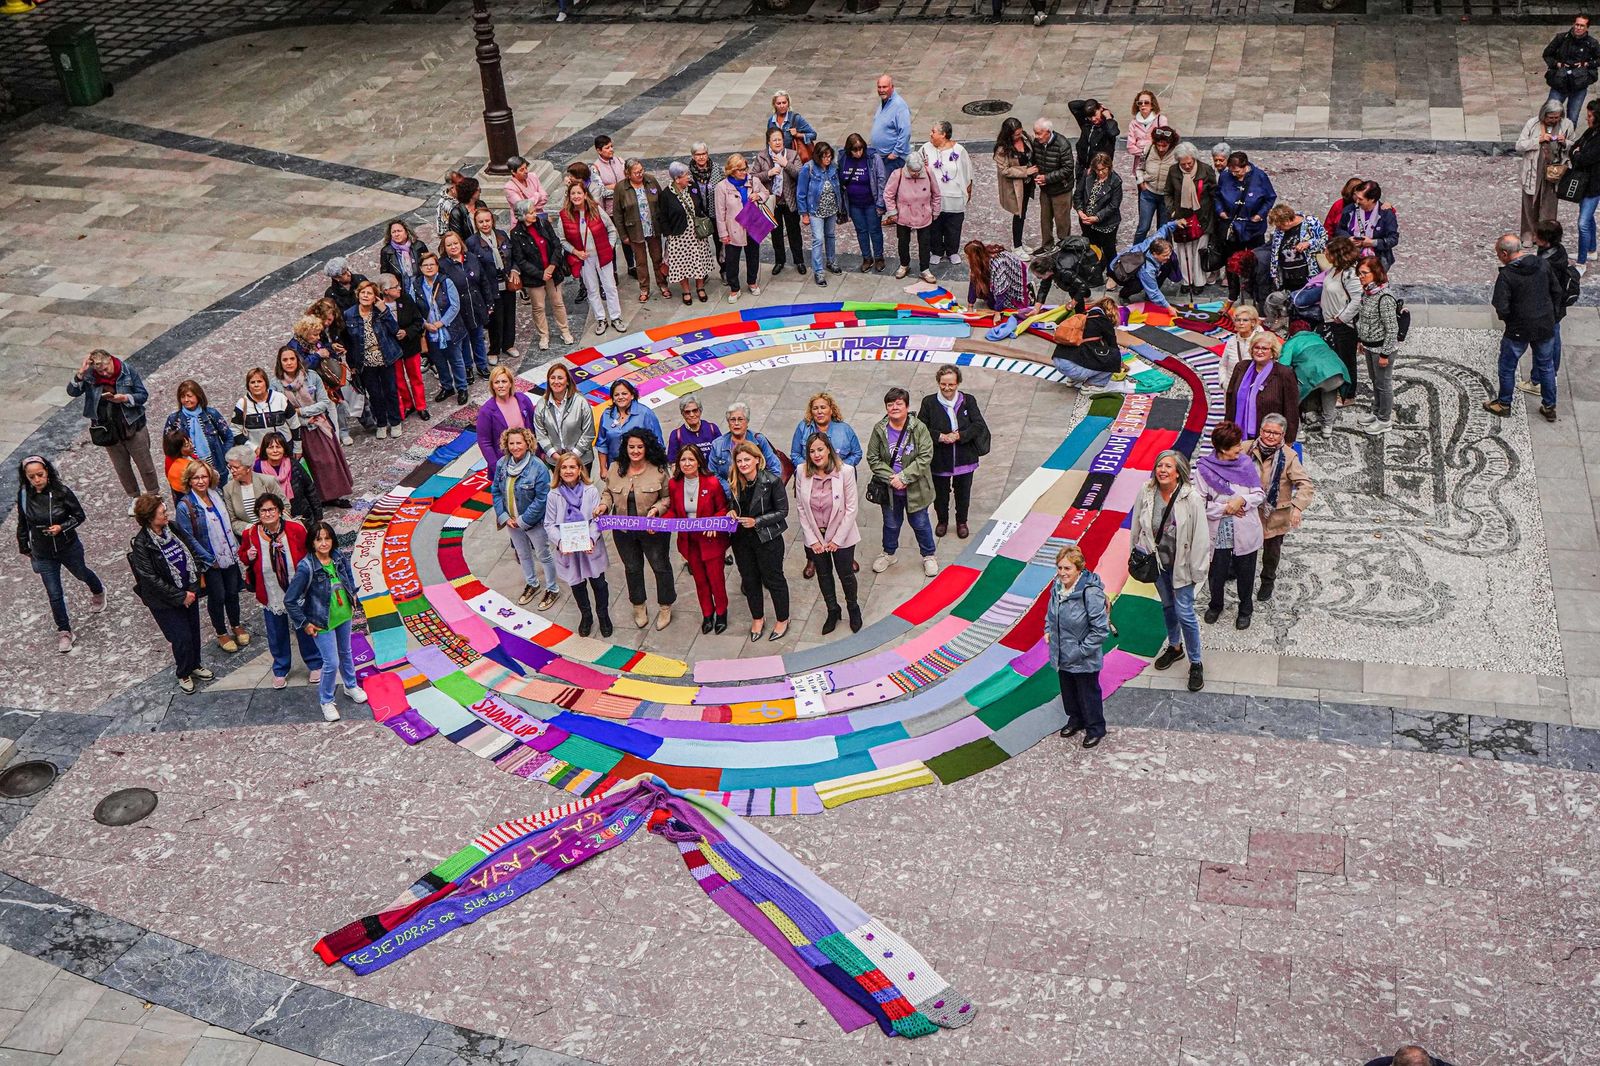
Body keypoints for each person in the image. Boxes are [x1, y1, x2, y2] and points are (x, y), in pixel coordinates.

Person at [1131, 451, 1209, 692]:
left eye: (1168, 466)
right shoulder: (1146, 490)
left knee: (1184, 612)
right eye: (1159, 465)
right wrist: (1136, 551)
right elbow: (1137, 523)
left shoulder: (1191, 498)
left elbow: (1201, 537)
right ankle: (1175, 647)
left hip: (1182, 565)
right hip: (1158, 562)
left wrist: (1198, 570)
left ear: (1179, 472)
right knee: (1167, 606)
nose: (1162, 470)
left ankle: (1196, 662)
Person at [16, 455, 103, 653]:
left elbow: (79, 516)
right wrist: (25, 547)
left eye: (40, 474)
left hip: (67, 546)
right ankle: (64, 630)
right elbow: (23, 523)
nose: (37, 479)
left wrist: (62, 527)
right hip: (43, 551)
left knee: (81, 573)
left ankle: (98, 589)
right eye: (32, 477)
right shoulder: (24, 496)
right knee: (54, 593)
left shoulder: (61, 492)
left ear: (47, 471)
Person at [128, 493, 213, 695]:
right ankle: (183, 672)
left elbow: (190, 554)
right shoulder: (142, 544)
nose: (166, 515)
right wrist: (180, 596)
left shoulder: (173, 528)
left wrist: (192, 589)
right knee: (181, 636)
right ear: (150, 518)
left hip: (188, 591)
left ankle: (195, 664)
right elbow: (150, 578)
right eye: (162, 513)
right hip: (164, 601)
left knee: (193, 631)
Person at [284, 521, 368, 722]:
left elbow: (347, 574)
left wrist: (352, 594)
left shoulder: (338, 557)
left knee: (346, 652)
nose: (324, 543)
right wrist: (305, 623)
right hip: (321, 621)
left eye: (327, 538)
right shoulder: (307, 567)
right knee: (331, 662)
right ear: (312, 542)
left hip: (343, 614)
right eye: (319, 539)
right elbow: (290, 600)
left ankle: (350, 685)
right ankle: (326, 700)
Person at [239, 492, 322, 689]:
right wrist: (248, 555)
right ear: (258, 513)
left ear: (280, 511)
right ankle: (281, 668)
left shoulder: (295, 529)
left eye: (271, 509)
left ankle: (315, 663)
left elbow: (310, 553)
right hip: (271, 590)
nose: (268, 514)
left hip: (297, 590)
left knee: (304, 627)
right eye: (263, 510)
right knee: (276, 632)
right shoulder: (250, 534)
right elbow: (243, 556)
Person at [600, 430, 677, 631]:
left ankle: (665, 606)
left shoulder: (659, 470)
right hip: (624, 530)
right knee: (632, 568)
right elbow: (608, 492)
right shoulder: (616, 467)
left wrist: (656, 510)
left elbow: (667, 498)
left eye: (640, 447)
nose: (635, 451)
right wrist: (603, 506)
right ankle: (639, 606)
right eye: (631, 447)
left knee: (660, 567)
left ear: (647, 448)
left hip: (653, 530)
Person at [172, 460, 250, 654]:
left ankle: (236, 624)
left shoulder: (216, 495)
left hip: (229, 553)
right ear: (189, 481)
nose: (201, 481)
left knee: (232, 592)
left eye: (204, 476)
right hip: (210, 560)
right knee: (218, 596)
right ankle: (221, 632)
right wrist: (208, 558)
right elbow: (188, 538)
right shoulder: (185, 506)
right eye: (196, 477)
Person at [68, 348, 158, 514]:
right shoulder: (90, 376)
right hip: (108, 429)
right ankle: (135, 497)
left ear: (110, 359)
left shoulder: (126, 370)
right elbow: (72, 391)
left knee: (145, 464)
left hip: (131, 424)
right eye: (99, 371)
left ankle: (154, 495)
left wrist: (124, 398)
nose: (104, 373)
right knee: (122, 467)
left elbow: (142, 395)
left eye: (105, 369)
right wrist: (81, 373)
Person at [1195, 422, 1265, 631]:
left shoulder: (1246, 464)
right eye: (1235, 445)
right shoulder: (1204, 469)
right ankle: (1215, 605)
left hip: (1244, 529)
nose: (1240, 448)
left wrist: (1241, 501)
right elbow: (1198, 503)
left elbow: (1259, 494)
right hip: (1219, 531)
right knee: (1216, 573)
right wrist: (1226, 508)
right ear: (1223, 448)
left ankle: (1245, 609)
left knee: (1246, 572)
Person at [1486, 233, 1563, 421]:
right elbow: (1556, 291)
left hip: (1518, 328)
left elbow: (1501, 305)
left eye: (1498, 253)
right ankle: (1549, 406)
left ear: (1505, 253)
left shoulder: (1507, 276)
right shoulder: (1542, 264)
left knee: (1507, 366)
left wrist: (1510, 320)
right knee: (1546, 366)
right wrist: (1550, 315)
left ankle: (1504, 403)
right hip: (1544, 324)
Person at [866, 387, 937, 577]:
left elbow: (925, 456)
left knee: (920, 523)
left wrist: (905, 477)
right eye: (890, 404)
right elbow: (873, 458)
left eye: (899, 403)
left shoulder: (919, 428)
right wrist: (893, 479)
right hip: (890, 490)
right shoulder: (879, 429)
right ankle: (888, 553)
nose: (894, 407)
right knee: (891, 523)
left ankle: (929, 555)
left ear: (907, 406)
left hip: (916, 489)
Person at [796, 433, 862, 635]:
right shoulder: (801, 471)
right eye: (812, 451)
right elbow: (801, 507)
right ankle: (833, 610)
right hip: (817, 537)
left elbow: (851, 509)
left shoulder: (846, 472)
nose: (816, 454)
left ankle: (853, 608)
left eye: (820, 449)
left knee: (846, 575)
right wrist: (813, 539)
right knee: (824, 575)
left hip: (841, 536)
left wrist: (836, 540)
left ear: (828, 449)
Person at [664, 443, 731, 635]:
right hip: (690, 542)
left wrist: (713, 523)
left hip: (711, 542)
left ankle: (721, 612)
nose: (686, 463)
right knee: (700, 581)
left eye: (691, 459)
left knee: (716, 580)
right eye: (683, 460)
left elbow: (722, 509)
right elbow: (674, 512)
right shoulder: (674, 484)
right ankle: (707, 614)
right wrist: (658, 523)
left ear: (698, 461)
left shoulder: (711, 483)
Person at [1046, 545, 1109, 747]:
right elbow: (1050, 613)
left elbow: (1100, 630)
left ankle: (1095, 728)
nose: (1062, 573)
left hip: (1082, 657)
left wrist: (1080, 651)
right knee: (1069, 690)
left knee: (1088, 692)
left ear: (1079, 569)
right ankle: (1076, 719)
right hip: (1061, 652)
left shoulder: (1090, 593)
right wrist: (1048, 630)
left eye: (1067, 569)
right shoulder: (1056, 588)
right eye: (1060, 568)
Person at [545, 450, 613, 638]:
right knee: (577, 584)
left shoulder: (590, 491)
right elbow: (549, 524)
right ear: (558, 471)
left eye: (572, 467)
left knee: (599, 583)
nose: (568, 471)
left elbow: (597, 520)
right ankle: (586, 616)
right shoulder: (553, 495)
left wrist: (591, 538)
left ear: (579, 469)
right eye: (564, 467)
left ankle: (603, 615)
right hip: (568, 550)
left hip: (590, 548)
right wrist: (560, 542)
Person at [274, 348, 354, 506]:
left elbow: (323, 403)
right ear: (280, 363)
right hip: (296, 430)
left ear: (298, 360)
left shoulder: (311, 376)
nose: (289, 363)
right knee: (307, 467)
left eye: (292, 359)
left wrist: (300, 411)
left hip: (318, 426)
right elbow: (282, 411)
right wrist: (304, 420)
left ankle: (333, 495)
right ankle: (316, 499)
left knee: (328, 462)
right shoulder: (276, 385)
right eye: (285, 360)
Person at [492, 426, 560, 610]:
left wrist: (523, 521)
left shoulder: (538, 467)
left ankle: (552, 588)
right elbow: (496, 491)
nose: (515, 447)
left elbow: (542, 498)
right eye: (511, 443)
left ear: (527, 443)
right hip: (510, 521)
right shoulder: (501, 464)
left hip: (533, 523)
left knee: (543, 554)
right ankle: (532, 584)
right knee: (523, 554)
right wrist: (505, 517)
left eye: (519, 443)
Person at [728, 441, 790, 642]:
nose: (743, 464)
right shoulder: (735, 482)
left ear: (757, 459)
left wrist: (757, 522)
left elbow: (782, 511)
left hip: (767, 539)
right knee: (749, 579)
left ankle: (782, 618)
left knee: (774, 579)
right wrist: (731, 511)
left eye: (747, 459)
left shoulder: (771, 481)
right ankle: (757, 618)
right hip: (741, 540)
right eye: (739, 461)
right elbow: (733, 503)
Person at [1247, 414, 1313, 603]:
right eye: (1267, 431)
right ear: (1260, 431)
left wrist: (1297, 507)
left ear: (1282, 434)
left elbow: (1305, 485)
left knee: (1271, 552)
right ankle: (1237, 571)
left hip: (1275, 514)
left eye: (1275, 433)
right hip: (1249, 511)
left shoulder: (1289, 456)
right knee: (1243, 546)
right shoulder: (1247, 448)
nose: (1270, 436)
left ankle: (1267, 581)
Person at [917, 365, 988, 539]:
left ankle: (962, 522)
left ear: (958, 383)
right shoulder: (929, 402)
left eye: (951, 384)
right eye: (943, 384)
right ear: (938, 383)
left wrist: (959, 436)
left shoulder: (968, 400)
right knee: (940, 495)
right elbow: (920, 428)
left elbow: (978, 425)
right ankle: (942, 521)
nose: (947, 388)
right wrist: (940, 436)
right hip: (940, 459)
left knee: (963, 493)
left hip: (964, 457)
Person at [507, 200, 575, 352]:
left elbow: (556, 245)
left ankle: (565, 331)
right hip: (534, 277)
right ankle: (544, 335)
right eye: (531, 212)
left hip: (552, 271)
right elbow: (520, 259)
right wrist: (540, 274)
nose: (534, 214)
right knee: (538, 307)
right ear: (522, 216)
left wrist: (552, 266)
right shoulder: (516, 233)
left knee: (558, 302)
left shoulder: (543, 224)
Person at [559, 183, 624, 336]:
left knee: (610, 287)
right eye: (573, 193)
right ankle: (601, 318)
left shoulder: (596, 209)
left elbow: (611, 229)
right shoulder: (564, 216)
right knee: (592, 289)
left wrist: (609, 246)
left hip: (602, 255)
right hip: (584, 259)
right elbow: (562, 240)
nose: (576, 196)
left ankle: (616, 317)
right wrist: (576, 252)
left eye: (579, 193)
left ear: (585, 194)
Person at [343, 280, 404, 439]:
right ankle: (382, 423)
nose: (365, 295)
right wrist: (352, 364)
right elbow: (348, 342)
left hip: (385, 358)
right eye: (363, 292)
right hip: (365, 362)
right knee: (375, 394)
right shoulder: (349, 314)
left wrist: (384, 310)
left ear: (375, 297)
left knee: (390, 391)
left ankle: (395, 422)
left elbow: (395, 330)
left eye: (369, 293)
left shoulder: (380, 311)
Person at [1352, 257, 1401, 435]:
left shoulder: (1385, 298)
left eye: (1364, 273)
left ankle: (1384, 419)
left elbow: (1392, 329)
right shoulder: (1367, 293)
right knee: (1375, 381)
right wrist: (1361, 340)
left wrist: (1385, 354)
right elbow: (1363, 319)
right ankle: (1377, 411)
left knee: (1384, 383)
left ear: (1376, 273)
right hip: (1369, 346)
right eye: (1359, 273)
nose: (1361, 277)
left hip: (1381, 349)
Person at [1528, 218, 1577, 398]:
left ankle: (1539, 380)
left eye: (1536, 235)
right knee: (1552, 340)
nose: (1533, 237)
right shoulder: (1558, 251)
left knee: (1545, 345)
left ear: (1545, 240)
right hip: (1555, 308)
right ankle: (1543, 377)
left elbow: (1546, 288)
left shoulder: (1546, 264)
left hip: (1549, 309)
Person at [413, 251, 468, 405]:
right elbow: (414, 309)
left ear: (437, 266)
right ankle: (447, 386)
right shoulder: (416, 285)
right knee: (439, 361)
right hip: (430, 332)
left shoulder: (446, 282)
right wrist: (425, 324)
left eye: (432, 264)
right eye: (425, 265)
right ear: (420, 268)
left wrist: (440, 323)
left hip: (450, 329)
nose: (429, 267)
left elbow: (455, 306)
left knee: (456, 360)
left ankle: (462, 388)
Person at [439, 230, 494, 383]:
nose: (453, 247)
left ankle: (482, 366)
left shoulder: (471, 258)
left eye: (455, 243)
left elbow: (484, 281)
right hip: (457, 308)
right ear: (445, 248)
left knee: (478, 337)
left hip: (476, 304)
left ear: (461, 243)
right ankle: (468, 368)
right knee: (463, 340)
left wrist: (488, 302)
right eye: (449, 245)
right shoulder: (442, 265)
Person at [1226, 330, 1301, 442]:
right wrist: (1226, 429)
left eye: (1264, 349)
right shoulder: (1241, 367)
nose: (1259, 351)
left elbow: (1291, 409)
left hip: (1269, 438)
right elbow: (1230, 399)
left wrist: (1289, 440)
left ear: (1273, 352)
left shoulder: (1284, 373)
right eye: (1256, 348)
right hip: (1237, 435)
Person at [1164, 143, 1218, 297]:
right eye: (1183, 164)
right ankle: (1186, 282)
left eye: (1190, 163)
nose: (1187, 166)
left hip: (1203, 217)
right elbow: (1168, 192)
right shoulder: (1173, 171)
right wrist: (1172, 211)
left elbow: (1214, 192)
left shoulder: (1206, 169)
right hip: (1182, 217)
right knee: (1183, 251)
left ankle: (1199, 281)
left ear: (1194, 159)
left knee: (1199, 250)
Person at [1517, 101, 1575, 245]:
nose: (1554, 120)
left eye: (1557, 118)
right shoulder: (1532, 124)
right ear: (1544, 115)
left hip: (1554, 170)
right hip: (1534, 168)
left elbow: (1573, 145)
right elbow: (1520, 145)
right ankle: (1528, 234)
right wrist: (1538, 140)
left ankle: (1546, 236)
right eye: (1551, 117)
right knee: (1530, 203)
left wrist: (1565, 142)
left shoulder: (1566, 124)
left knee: (1549, 204)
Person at [612, 160, 669, 302]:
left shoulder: (650, 180)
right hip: (635, 230)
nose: (640, 174)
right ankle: (644, 288)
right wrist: (623, 235)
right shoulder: (621, 188)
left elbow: (662, 201)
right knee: (641, 261)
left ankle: (662, 284)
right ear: (628, 174)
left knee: (657, 258)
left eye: (641, 170)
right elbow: (617, 214)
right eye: (636, 172)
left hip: (653, 228)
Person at [714, 153, 769, 301]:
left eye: (745, 168)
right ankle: (734, 288)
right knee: (732, 259)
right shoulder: (722, 187)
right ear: (732, 170)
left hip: (752, 223)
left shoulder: (753, 180)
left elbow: (765, 193)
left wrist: (758, 196)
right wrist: (723, 233)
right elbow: (720, 213)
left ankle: (752, 282)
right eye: (740, 170)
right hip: (734, 227)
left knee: (753, 255)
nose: (744, 172)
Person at [661, 162, 717, 304]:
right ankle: (686, 290)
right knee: (681, 264)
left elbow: (700, 205)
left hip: (696, 234)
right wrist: (668, 234)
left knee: (698, 260)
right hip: (679, 236)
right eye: (686, 175)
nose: (689, 177)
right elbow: (662, 217)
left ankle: (700, 287)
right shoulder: (666, 195)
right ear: (677, 178)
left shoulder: (692, 188)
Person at [469, 206, 519, 363]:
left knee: (509, 313)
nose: (485, 224)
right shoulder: (472, 242)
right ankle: (494, 349)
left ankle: (508, 345)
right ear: (476, 224)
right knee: (495, 319)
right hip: (490, 286)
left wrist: (515, 270)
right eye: (481, 222)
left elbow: (514, 256)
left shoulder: (502, 235)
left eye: (487, 220)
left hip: (507, 282)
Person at [1318, 235, 1364, 403]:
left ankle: (1348, 395)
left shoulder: (1350, 275)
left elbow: (1358, 299)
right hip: (1331, 322)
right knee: (1337, 357)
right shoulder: (1335, 269)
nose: (1325, 255)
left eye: (1328, 252)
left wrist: (1342, 318)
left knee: (1347, 361)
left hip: (1344, 326)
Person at [921, 122, 974, 264]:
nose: (930, 134)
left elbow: (968, 173)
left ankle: (952, 251)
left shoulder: (959, 150)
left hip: (955, 197)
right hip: (934, 199)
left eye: (933, 131)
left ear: (943, 134)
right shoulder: (926, 148)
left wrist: (968, 192)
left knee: (954, 226)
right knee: (935, 226)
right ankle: (936, 250)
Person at [1281, 328, 1350, 437]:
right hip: (1338, 371)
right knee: (1329, 391)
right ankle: (1327, 427)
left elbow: (1283, 365)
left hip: (1313, 373)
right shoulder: (1318, 338)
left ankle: (1298, 432)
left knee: (1291, 400)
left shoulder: (1291, 342)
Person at [755, 129, 805, 277]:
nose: (777, 142)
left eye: (780, 139)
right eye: (774, 140)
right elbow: (753, 177)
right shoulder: (762, 157)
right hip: (772, 202)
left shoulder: (792, 154)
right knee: (776, 234)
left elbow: (800, 175)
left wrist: (786, 164)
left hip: (789, 201)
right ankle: (779, 261)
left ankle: (799, 261)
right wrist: (768, 173)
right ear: (769, 142)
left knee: (794, 232)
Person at [883, 151, 939, 283]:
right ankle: (904, 264)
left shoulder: (928, 173)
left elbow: (936, 194)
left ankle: (925, 269)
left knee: (925, 243)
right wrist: (893, 213)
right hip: (903, 216)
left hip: (924, 214)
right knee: (903, 242)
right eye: (913, 171)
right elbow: (888, 194)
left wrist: (935, 211)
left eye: (918, 171)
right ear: (907, 167)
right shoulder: (898, 174)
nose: (916, 173)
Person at [535, 362, 597, 474]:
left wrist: (572, 457)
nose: (556, 381)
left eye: (560, 378)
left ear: (567, 381)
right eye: (552, 378)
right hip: (555, 461)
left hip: (581, 460)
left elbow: (589, 433)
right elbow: (541, 434)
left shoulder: (581, 402)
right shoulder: (541, 405)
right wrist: (555, 456)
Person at [798, 141, 846, 285]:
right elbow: (801, 192)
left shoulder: (833, 168)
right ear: (818, 157)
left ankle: (831, 261)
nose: (828, 159)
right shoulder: (809, 169)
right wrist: (804, 213)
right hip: (815, 211)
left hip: (831, 209)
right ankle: (818, 271)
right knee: (818, 239)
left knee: (830, 235)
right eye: (825, 157)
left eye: (830, 156)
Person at [839, 134, 887, 271]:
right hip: (854, 204)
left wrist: (880, 202)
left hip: (871, 202)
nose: (858, 153)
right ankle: (867, 258)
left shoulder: (873, 158)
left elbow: (881, 179)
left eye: (861, 149)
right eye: (855, 150)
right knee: (861, 231)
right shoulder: (843, 158)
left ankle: (879, 257)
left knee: (875, 230)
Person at [595, 380, 664, 477]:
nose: (620, 397)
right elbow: (601, 445)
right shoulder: (606, 415)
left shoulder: (645, 413)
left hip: (642, 469)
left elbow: (658, 443)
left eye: (624, 393)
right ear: (613, 399)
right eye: (616, 395)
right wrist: (603, 469)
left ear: (632, 395)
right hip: (615, 470)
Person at [1050, 297, 1123, 388]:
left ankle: (1073, 379)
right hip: (1073, 368)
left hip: (1058, 360)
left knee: (1084, 348)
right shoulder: (1103, 321)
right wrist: (1120, 364)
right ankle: (1092, 385)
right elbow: (1113, 347)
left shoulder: (1083, 316)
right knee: (1114, 359)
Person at [1216, 151, 1277, 255]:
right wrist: (1220, 211)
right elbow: (1217, 196)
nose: (1234, 174)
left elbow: (1270, 198)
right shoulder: (1225, 176)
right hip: (1232, 225)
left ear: (1245, 166)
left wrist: (1260, 215)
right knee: (1233, 260)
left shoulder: (1260, 176)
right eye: (1231, 171)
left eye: (1237, 171)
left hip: (1253, 227)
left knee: (1255, 258)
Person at [254, 432, 320, 529]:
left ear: (284, 448)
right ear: (265, 450)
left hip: (300, 514)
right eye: (271, 447)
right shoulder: (258, 469)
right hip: (273, 519)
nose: (275, 450)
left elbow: (309, 488)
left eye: (278, 447)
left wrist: (318, 516)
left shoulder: (293, 464)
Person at [477, 365, 535, 472]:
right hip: (504, 463)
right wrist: (497, 467)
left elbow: (534, 426)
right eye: (496, 382)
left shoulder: (523, 399)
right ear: (492, 386)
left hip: (529, 459)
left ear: (510, 383)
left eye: (504, 381)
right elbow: (484, 442)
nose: (500, 386)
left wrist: (538, 453)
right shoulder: (486, 411)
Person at [708, 401, 783, 485]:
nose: (736, 423)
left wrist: (764, 490)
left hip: (758, 490)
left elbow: (775, 468)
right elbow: (712, 474)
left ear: (747, 422)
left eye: (740, 419)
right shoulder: (717, 445)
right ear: (728, 423)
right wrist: (730, 491)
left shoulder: (759, 440)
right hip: (729, 493)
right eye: (732, 420)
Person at [1545, 14, 1600, 126]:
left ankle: (1566, 142)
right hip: (1560, 82)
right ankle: (1547, 137)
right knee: (1550, 112)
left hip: (1579, 84)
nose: (1578, 28)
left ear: (1587, 28)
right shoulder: (1561, 38)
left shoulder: (1592, 43)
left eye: (1582, 26)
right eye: (1577, 24)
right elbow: (1547, 54)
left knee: (1572, 118)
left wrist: (1587, 64)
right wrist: (1557, 64)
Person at [1075, 152, 1123, 279]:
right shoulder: (1088, 175)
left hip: (1106, 223)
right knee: (1092, 248)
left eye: (1103, 169)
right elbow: (1078, 195)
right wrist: (1080, 211)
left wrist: (1097, 217)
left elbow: (1114, 205)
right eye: (1098, 170)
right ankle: (1094, 271)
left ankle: (1112, 275)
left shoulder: (1115, 181)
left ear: (1109, 167)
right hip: (1087, 222)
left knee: (1109, 250)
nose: (1101, 172)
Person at [788, 392, 863, 474]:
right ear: (811, 412)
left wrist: (839, 467)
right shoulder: (803, 427)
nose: (819, 411)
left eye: (823, 407)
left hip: (839, 476)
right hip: (811, 475)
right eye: (815, 408)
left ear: (831, 410)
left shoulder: (845, 429)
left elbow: (857, 454)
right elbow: (795, 454)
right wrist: (810, 468)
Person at [233, 363, 299, 452]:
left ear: (266, 383)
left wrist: (298, 448)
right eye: (252, 382)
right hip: (259, 452)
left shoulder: (280, 398)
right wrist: (253, 447)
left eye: (259, 381)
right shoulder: (242, 404)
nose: (256, 385)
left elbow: (294, 424)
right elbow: (235, 431)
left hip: (285, 448)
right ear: (248, 386)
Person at [1335, 180, 1400, 270]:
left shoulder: (1386, 214)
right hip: (1350, 255)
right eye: (1356, 197)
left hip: (1377, 259)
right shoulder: (1350, 210)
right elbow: (1339, 230)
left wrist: (1372, 243)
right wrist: (1348, 238)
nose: (1357, 201)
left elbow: (1393, 239)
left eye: (1361, 199)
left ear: (1372, 199)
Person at [994, 118, 1037, 252]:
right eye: (1016, 134)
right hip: (1016, 186)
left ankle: (1019, 243)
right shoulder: (1002, 149)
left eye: (1020, 132)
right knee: (1018, 214)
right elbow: (1004, 170)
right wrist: (1025, 171)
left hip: (1028, 183)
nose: (1019, 136)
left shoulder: (1025, 138)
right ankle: (1017, 246)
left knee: (1023, 213)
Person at [593, 136, 632, 279]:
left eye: (611, 146)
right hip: (609, 210)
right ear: (599, 150)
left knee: (627, 237)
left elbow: (628, 182)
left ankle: (631, 265)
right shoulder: (595, 168)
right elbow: (601, 190)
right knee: (611, 240)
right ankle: (613, 270)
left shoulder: (620, 161)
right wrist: (619, 187)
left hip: (624, 206)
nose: (611, 150)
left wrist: (614, 187)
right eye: (607, 148)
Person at [1117, 219, 1181, 308]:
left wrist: (1176, 223)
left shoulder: (1156, 239)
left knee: (1167, 266)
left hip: (1144, 266)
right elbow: (1154, 292)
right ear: (1155, 254)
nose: (1168, 257)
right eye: (1165, 255)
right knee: (1138, 285)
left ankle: (1149, 293)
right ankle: (1123, 295)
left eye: (1169, 254)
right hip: (1124, 270)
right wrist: (1168, 307)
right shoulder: (1147, 270)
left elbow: (1165, 228)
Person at [221, 445, 284, 534]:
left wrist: (273, 525)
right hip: (251, 536)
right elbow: (233, 520)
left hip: (277, 531)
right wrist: (253, 529)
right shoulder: (228, 489)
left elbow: (284, 506)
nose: (232, 471)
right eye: (230, 467)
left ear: (248, 468)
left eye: (236, 467)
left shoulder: (268, 481)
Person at [1266, 203, 1327, 294]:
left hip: (1307, 275)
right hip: (1287, 277)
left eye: (1279, 226)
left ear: (1287, 221)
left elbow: (1324, 240)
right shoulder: (1280, 230)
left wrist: (1308, 243)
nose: (1278, 229)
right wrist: (1274, 274)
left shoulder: (1311, 222)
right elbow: (1275, 252)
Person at [1133, 125, 1179, 245]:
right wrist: (1141, 182)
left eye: (1164, 146)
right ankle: (1134, 254)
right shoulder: (1148, 149)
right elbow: (1139, 167)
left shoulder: (1177, 153)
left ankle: (1164, 258)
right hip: (1148, 194)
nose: (1161, 148)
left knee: (1163, 229)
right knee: (1143, 227)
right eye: (1158, 145)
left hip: (1166, 197)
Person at [964, 241, 1031, 312]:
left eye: (968, 256)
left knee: (994, 305)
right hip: (999, 277)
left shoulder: (997, 264)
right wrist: (970, 305)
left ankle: (1028, 292)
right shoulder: (979, 261)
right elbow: (974, 279)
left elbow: (1002, 290)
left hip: (1012, 279)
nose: (966, 258)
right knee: (982, 290)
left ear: (974, 257)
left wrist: (997, 311)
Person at [1067, 99, 1120, 188]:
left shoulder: (1108, 125)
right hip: (1082, 164)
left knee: (1096, 193)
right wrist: (1091, 105)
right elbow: (1072, 105)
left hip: (1099, 166)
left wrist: (1108, 117)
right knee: (1080, 190)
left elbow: (1113, 132)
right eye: (1090, 117)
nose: (1093, 119)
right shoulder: (1086, 122)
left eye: (1095, 115)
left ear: (1101, 110)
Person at [687, 143, 725, 266]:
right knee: (699, 245)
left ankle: (724, 269)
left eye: (704, 154)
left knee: (720, 243)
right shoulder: (688, 173)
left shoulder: (717, 169)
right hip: (698, 215)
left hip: (716, 213)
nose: (701, 157)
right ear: (693, 156)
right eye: (698, 154)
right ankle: (702, 272)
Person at [870, 74, 913, 175]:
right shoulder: (884, 102)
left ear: (892, 87)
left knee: (890, 189)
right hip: (882, 158)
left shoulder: (899, 105)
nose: (881, 90)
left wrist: (895, 153)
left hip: (893, 160)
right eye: (879, 87)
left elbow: (905, 132)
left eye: (884, 87)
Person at [1124, 90, 1168, 185]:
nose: (1143, 105)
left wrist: (1140, 145)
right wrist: (1147, 149)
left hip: (1157, 163)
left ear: (1152, 105)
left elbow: (1164, 142)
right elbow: (1130, 147)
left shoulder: (1161, 120)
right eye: (1140, 103)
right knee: (1142, 193)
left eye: (1146, 102)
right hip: (1140, 165)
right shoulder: (1134, 123)